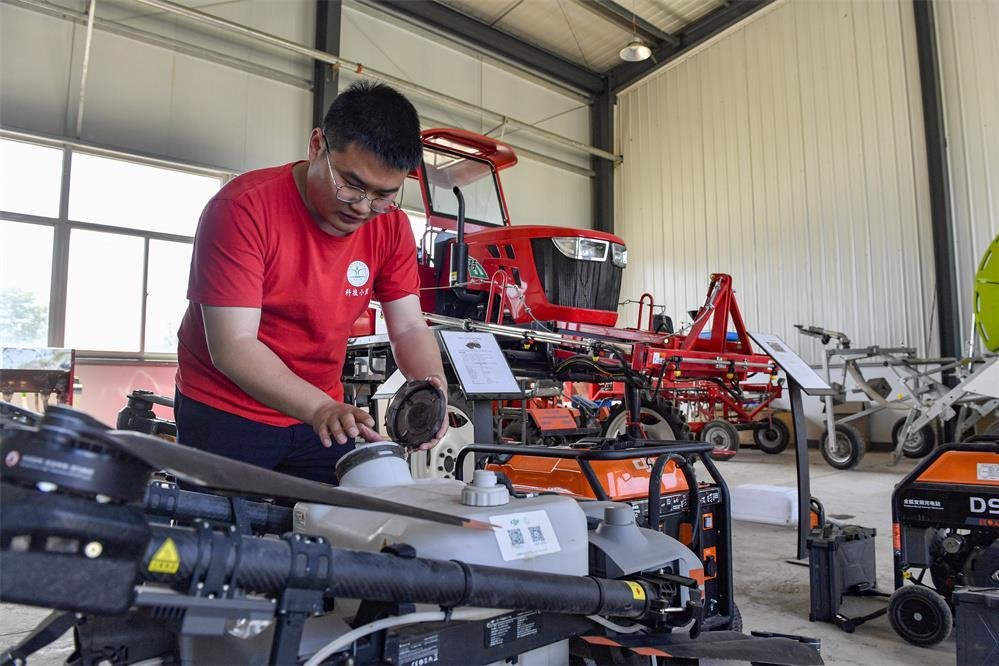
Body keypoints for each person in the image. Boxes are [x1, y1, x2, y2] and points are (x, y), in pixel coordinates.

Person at [174, 81, 448, 484]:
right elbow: (233, 346)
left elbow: (407, 325)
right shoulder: (243, 209)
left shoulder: (391, 226)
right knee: (219, 541)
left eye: (383, 195)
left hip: (320, 414)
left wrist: (431, 384)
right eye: (352, 185)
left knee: (331, 533)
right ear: (317, 145)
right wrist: (320, 408)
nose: (363, 207)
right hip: (226, 411)